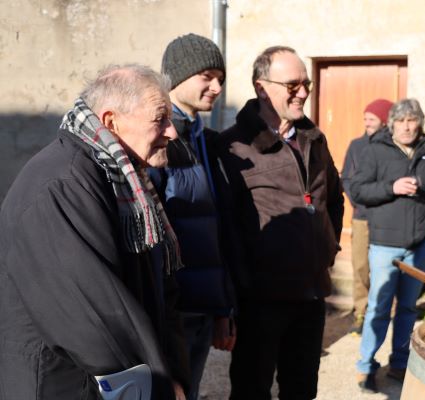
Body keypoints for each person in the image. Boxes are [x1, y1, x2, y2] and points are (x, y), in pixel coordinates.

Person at [0, 65, 189, 399]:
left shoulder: (119, 178)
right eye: (160, 118)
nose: (172, 132)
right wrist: (157, 384)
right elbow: (96, 319)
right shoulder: (64, 183)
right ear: (111, 122)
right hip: (64, 385)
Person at [217, 46, 344, 400]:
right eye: (292, 85)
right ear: (262, 87)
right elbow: (226, 228)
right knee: (251, 390)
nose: (303, 92)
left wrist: (328, 249)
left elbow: (334, 198)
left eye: (307, 84)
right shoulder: (234, 147)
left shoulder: (315, 139)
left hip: (312, 294)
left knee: (302, 390)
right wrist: (240, 289)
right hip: (260, 301)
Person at [150, 33, 237, 400]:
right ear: (176, 76)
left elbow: (212, 231)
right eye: (206, 76)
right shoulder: (157, 138)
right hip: (171, 310)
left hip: (201, 307)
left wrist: (221, 308)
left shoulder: (206, 138)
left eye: (221, 77)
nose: (216, 87)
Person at [351, 98, 425, 393]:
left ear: (420, 123)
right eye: (401, 121)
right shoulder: (374, 151)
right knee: (379, 307)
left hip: (420, 244)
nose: (407, 127)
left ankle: (399, 363)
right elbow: (358, 190)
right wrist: (391, 187)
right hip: (385, 244)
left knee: (407, 308)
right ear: (391, 123)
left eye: (412, 120)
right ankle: (366, 366)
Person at [341, 98, 393, 336]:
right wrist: (359, 201)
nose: (366, 122)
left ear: (384, 121)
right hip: (362, 216)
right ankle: (360, 311)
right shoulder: (356, 145)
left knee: (384, 266)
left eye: (371, 119)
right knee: (360, 265)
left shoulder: (393, 147)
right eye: (365, 119)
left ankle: (382, 310)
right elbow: (347, 179)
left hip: (386, 217)